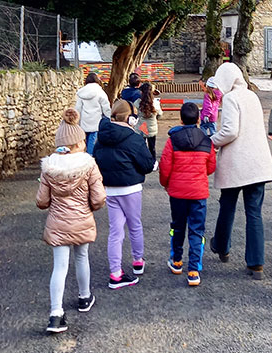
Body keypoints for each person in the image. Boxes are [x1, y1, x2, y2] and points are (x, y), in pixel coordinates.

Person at [36, 107, 106, 334]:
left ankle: (56, 314)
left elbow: (41, 201)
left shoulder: (49, 167)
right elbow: (98, 198)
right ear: (77, 143)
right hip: (82, 219)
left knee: (59, 266)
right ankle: (84, 297)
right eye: (83, 141)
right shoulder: (88, 164)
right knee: (82, 256)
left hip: (58, 223)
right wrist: (91, 207)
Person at [208, 62, 272, 280]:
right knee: (254, 212)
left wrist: (211, 141)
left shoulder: (230, 98)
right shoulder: (251, 96)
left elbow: (230, 131)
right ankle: (256, 264)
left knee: (227, 206)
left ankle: (222, 246)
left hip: (236, 162)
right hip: (258, 163)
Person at [93, 99, 154, 288]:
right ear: (129, 117)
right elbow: (146, 164)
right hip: (131, 188)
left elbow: (97, 160)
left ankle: (115, 272)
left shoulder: (100, 137)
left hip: (110, 189)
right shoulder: (133, 137)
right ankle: (137, 261)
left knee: (115, 231)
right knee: (135, 225)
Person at [159, 101, 216, 286]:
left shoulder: (173, 140)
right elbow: (211, 166)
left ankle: (176, 261)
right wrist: (199, 175)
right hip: (198, 192)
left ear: (181, 119)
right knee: (197, 230)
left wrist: (166, 183)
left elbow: (165, 166)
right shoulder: (206, 140)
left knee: (177, 226)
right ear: (198, 118)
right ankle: (193, 270)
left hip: (177, 192)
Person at [75, 72, 112, 154]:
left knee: (85, 140)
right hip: (96, 121)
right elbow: (106, 107)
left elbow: (78, 108)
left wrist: (77, 121)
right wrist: (109, 117)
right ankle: (90, 157)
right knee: (92, 141)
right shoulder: (100, 92)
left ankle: (85, 156)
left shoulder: (82, 92)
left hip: (84, 121)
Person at [133, 81, 163, 164]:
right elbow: (160, 114)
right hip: (152, 127)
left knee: (142, 146)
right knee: (152, 146)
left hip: (142, 126)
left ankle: (142, 161)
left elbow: (136, 114)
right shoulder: (155, 103)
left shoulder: (137, 102)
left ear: (141, 92)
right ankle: (153, 162)